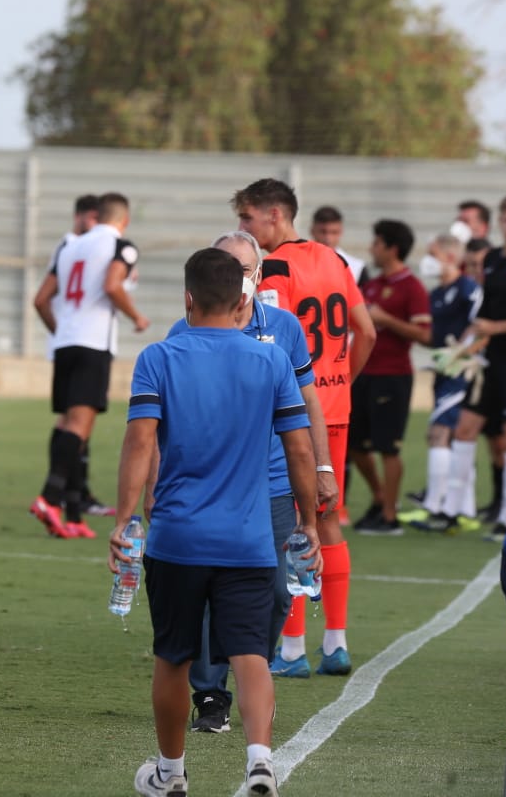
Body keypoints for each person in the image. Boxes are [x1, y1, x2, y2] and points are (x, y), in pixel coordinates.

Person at [114, 247, 320, 797]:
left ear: (187, 299)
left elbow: (139, 441)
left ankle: (171, 772)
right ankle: (259, 762)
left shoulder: (158, 357)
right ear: (243, 300)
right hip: (250, 539)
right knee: (251, 653)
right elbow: (299, 451)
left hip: (178, 538)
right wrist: (310, 524)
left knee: (174, 655)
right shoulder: (271, 360)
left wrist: (124, 518)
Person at [172, 232, 336, 734]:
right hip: (211, 487)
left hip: (272, 484)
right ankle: (211, 694)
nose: (237, 277)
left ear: (258, 276)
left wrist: (323, 467)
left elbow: (309, 402)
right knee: (205, 590)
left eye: (245, 268)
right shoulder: (185, 331)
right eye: (227, 266)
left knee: (279, 593)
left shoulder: (284, 328)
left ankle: (254, 673)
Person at [236, 177, 375, 678]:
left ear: (275, 215)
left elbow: (269, 343)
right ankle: (335, 644)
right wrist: (338, 382)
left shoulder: (274, 269)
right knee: (328, 518)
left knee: (292, 520)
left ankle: (291, 648)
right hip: (333, 409)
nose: (242, 229)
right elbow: (367, 331)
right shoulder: (335, 259)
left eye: (247, 219)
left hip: (292, 416)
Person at [30, 192, 148, 539]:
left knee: (69, 424)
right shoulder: (121, 246)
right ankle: (49, 498)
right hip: (93, 343)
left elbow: (41, 299)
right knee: (80, 427)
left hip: (65, 342)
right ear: (123, 219)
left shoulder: (70, 246)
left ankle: (73, 515)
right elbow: (112, 285)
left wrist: (62, 330)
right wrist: (136, 316)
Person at [349, 220, 431, 535]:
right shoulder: (370, 285)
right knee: (356, 445)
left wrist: (386, 319)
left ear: (391, 248)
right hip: (364, 374)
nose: (372, 248)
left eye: (377, 242)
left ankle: (389, 516)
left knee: (388, 447)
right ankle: (380, 497)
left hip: (393, 376)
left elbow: (425, 335)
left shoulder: (412, 286)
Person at [443, 195, 506, 540]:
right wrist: (464, 346)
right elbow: (486, 310)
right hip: (489, 360)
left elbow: (497, 320)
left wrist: (494, 329)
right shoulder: (494, 260)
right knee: (466, 427)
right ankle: (453, 509)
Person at [403, 234, 483, 532]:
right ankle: (460, 506)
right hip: (444, 372)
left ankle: (437, 506)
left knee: (442, 434)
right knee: (446, 436)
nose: (427, 259)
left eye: (432, 253)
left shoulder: (468, 289)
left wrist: (460, 352)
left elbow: (479, 325)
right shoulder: (437, 293)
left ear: (449, 257)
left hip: (462, 373)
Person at [462, 237, 506, 523]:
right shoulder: (491, 270)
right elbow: (481, 322)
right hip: (490, 366)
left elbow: (490, 324)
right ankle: (459, 507)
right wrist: (460, 350)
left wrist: (493, 329)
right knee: (478, 433)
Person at [311, 205, 368, 287]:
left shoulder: (356, 267)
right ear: (312, 230)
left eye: (334, 232)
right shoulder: (298, 263)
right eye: (323, 232)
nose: (328, 238)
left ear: (341, 232)